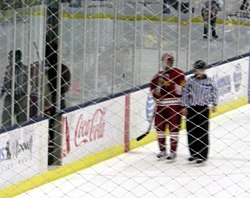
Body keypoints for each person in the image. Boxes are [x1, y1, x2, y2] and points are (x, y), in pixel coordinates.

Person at [180, 60, 219, 165]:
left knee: (202, 131)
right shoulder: (190, 81)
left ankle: (203, 155)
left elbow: (215, 92)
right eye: (196, 69)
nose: (197, 71)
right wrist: (183, 106)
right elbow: (184, 93)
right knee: (191, 131)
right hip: (192, 108)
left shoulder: (209, 81)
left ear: (203, 70)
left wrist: (214, 104)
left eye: (199, 69)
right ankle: (193, 153)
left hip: (203, 108)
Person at [150, 53, 185, 161]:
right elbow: (152, 90)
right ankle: (162, 150)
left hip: (174, 104)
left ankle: (173, 151)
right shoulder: (157, 76)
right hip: (161, 105)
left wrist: (174, 86)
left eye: (169, 61)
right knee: (159, 127)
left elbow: (182, 91)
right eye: (165, 61)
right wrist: (157, 92)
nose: (167, 63)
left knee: (173, 128)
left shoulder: (178, 74)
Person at [0, 50, 28, 128]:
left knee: (22, 118)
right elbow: (6, 82)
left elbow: (20, 85)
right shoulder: (8, 68)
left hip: (21, 96)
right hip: (10, 95)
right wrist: (2, 93)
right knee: (5, 117)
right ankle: (5, 132)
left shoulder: (24, 69)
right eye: (9, 58)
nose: (9, 60)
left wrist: (11, 80)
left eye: (11, 58)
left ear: (18, 58)